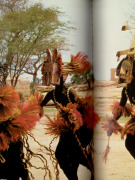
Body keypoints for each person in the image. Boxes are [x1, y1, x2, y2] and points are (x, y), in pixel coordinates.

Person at [40, 49, 99, 180]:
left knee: (75, 155)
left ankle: (91, 169)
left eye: (57, 74)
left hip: (80, 130)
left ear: (63, 76)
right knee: (60, 155)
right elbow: (40, 106)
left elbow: (83, 111)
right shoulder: (51, 94)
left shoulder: (70, 93)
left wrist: (76, 122)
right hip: (66, 131)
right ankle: (73, 177)